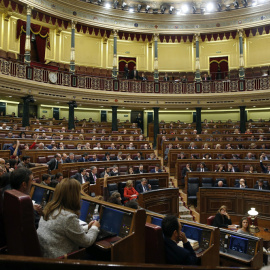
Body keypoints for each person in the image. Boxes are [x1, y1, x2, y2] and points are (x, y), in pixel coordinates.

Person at [37, 178, 100, 258]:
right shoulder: (68, 217)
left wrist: (87, 227)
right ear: (74, 196)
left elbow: (64, 230)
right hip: (61, 261)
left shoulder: (49, 209)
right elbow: (86, 242)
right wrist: (95, 227)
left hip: (46, 256)